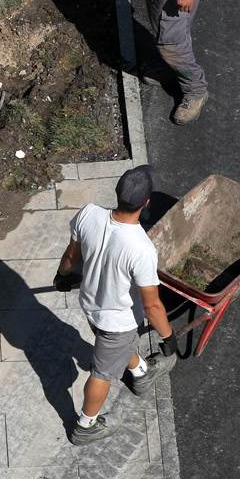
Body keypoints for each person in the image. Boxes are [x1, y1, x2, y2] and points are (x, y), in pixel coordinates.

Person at [53, 164, 179, 445]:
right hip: (117, 321)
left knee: (116, 349)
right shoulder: (141, 248)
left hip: (91, 304)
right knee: (101, 373)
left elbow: (71, 256)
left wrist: (62, 275)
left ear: (117, 192)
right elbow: (152, 306)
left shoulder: (89, 214)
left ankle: (140, 373)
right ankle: (85, 426)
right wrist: (168, 336)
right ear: (146, 203)